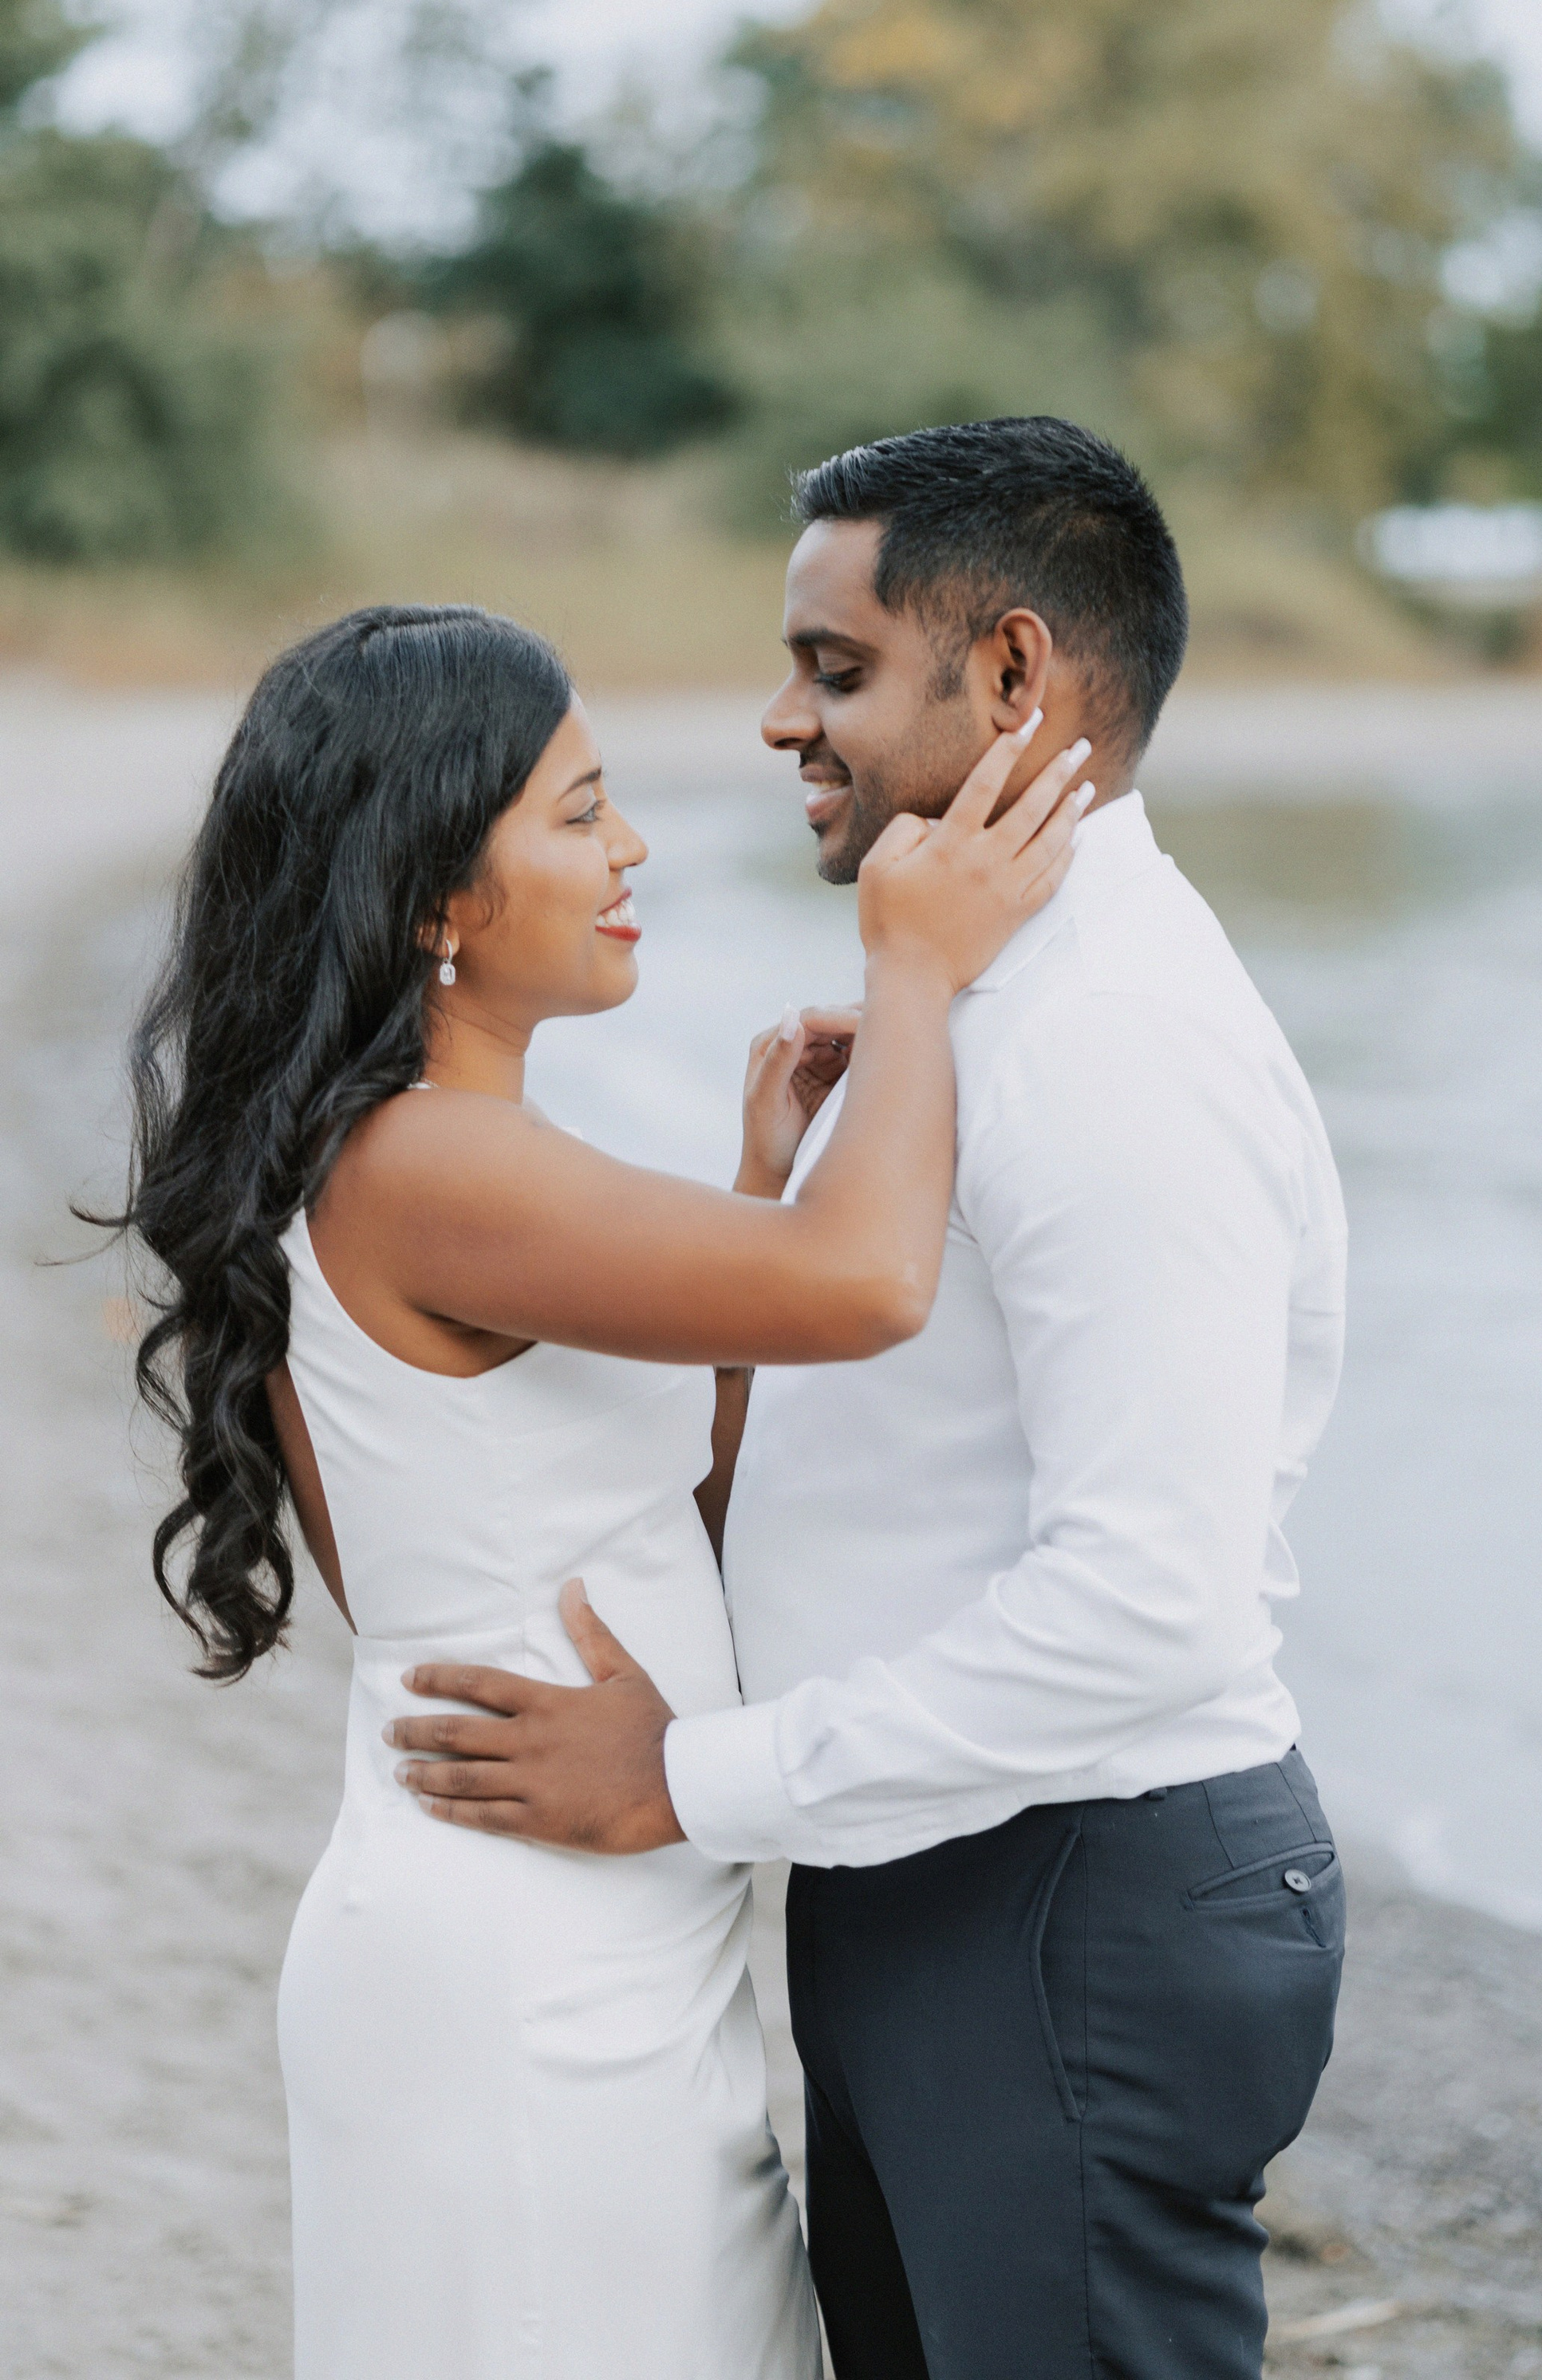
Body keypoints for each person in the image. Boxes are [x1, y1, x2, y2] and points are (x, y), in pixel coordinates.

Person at [389, 420, 1351, 2380]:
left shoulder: (1099, 1043)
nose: (775, 723)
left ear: (1010, 673)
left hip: (1072, 1891)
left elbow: (1150, 1607)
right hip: (945, 1874)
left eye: (830, 671)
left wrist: (686, 1781)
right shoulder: (971, 1014)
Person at [112, 598, 1090, 2380]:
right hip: (519, 1962)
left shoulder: (454, 1158)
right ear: (429, 896)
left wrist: (746, 1189)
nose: (629, 847)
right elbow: (868, 1284)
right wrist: (915, 968)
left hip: (604, 1930)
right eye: (576, 814)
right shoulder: (421, 1162)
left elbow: (653, 1522)